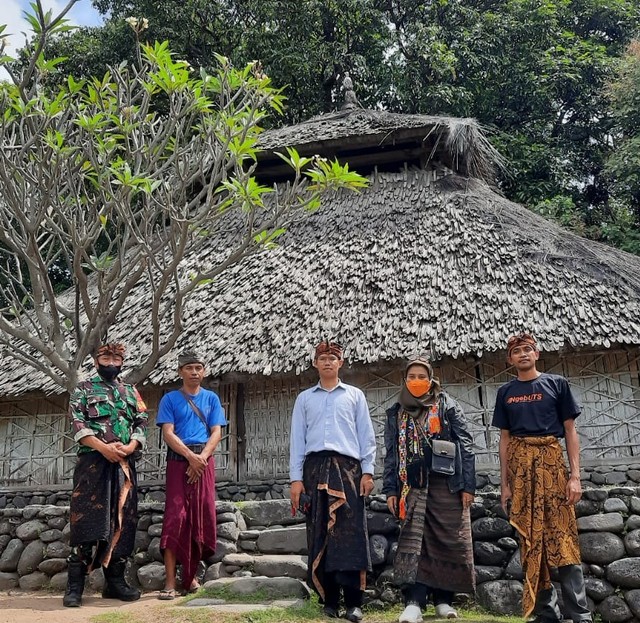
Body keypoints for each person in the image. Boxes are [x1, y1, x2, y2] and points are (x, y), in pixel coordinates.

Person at [492, 333, 592, 623]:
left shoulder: (556, 384)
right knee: (530, 538)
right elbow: (504, 439)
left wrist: (575, 477)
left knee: (564, 538)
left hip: (552, 465)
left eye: (528, 349)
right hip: (521, 472)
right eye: (516, 351)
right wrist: (505, 484)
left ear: (536, 354)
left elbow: (570, 431)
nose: (523, 354)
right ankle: (546, 613)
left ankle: (580, 614)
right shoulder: (505, 392)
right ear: (510, 359)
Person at [383, 357, 476, 623]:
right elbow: (391, 454)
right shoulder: (396, 411)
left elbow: (466, 444)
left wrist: (467, 485)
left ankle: (443, 602)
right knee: (414, 542)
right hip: (412, 486)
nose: (416, 381)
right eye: (411, 376)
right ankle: (414, 602)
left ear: (431, 378)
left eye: (421, 376)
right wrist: (391, 489)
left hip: (447, 485)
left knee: (447, 541)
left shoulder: (447, 405)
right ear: (404, 380)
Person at [289, 341, 376, 622]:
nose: (327, 362)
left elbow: (366, 436)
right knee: (320, 532)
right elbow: (297, 442)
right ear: (315, 363)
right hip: (315, 470)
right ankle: (329, 601)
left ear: (341, 363)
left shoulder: (355, 395)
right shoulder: (305, 399)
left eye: (333, 358)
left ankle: (354, 602)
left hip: (349, 470)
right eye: (322, 358)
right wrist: (295, 480)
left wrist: (368, 472)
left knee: (350, 535)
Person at [64, 342, 148, 608]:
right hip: (92, 464)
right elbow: (77, 422)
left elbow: (141, 421)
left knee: (124, 520)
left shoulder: (131, 391)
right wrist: (102, 447)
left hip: (124, 464)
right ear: (96, 359)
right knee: (86, 519)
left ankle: (115, 582)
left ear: (123, 361)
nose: (111, 361)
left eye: (116, 357)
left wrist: (132, 444)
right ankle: (75, 586)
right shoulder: (83, 389)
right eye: (105, 356)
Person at [156, 350, 226, 600]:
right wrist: (190, 457)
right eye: (189, 368)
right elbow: (168, 432)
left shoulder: (212, 399)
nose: (194, 372)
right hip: (179, 462)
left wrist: (202, 458)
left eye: (198, 368)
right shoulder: (170, 399)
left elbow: (217, 432)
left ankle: (192, 576)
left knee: (201, 516)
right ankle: (170, 582)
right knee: (176, 518)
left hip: (203, 462)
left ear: (204, 371)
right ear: (180, 372)